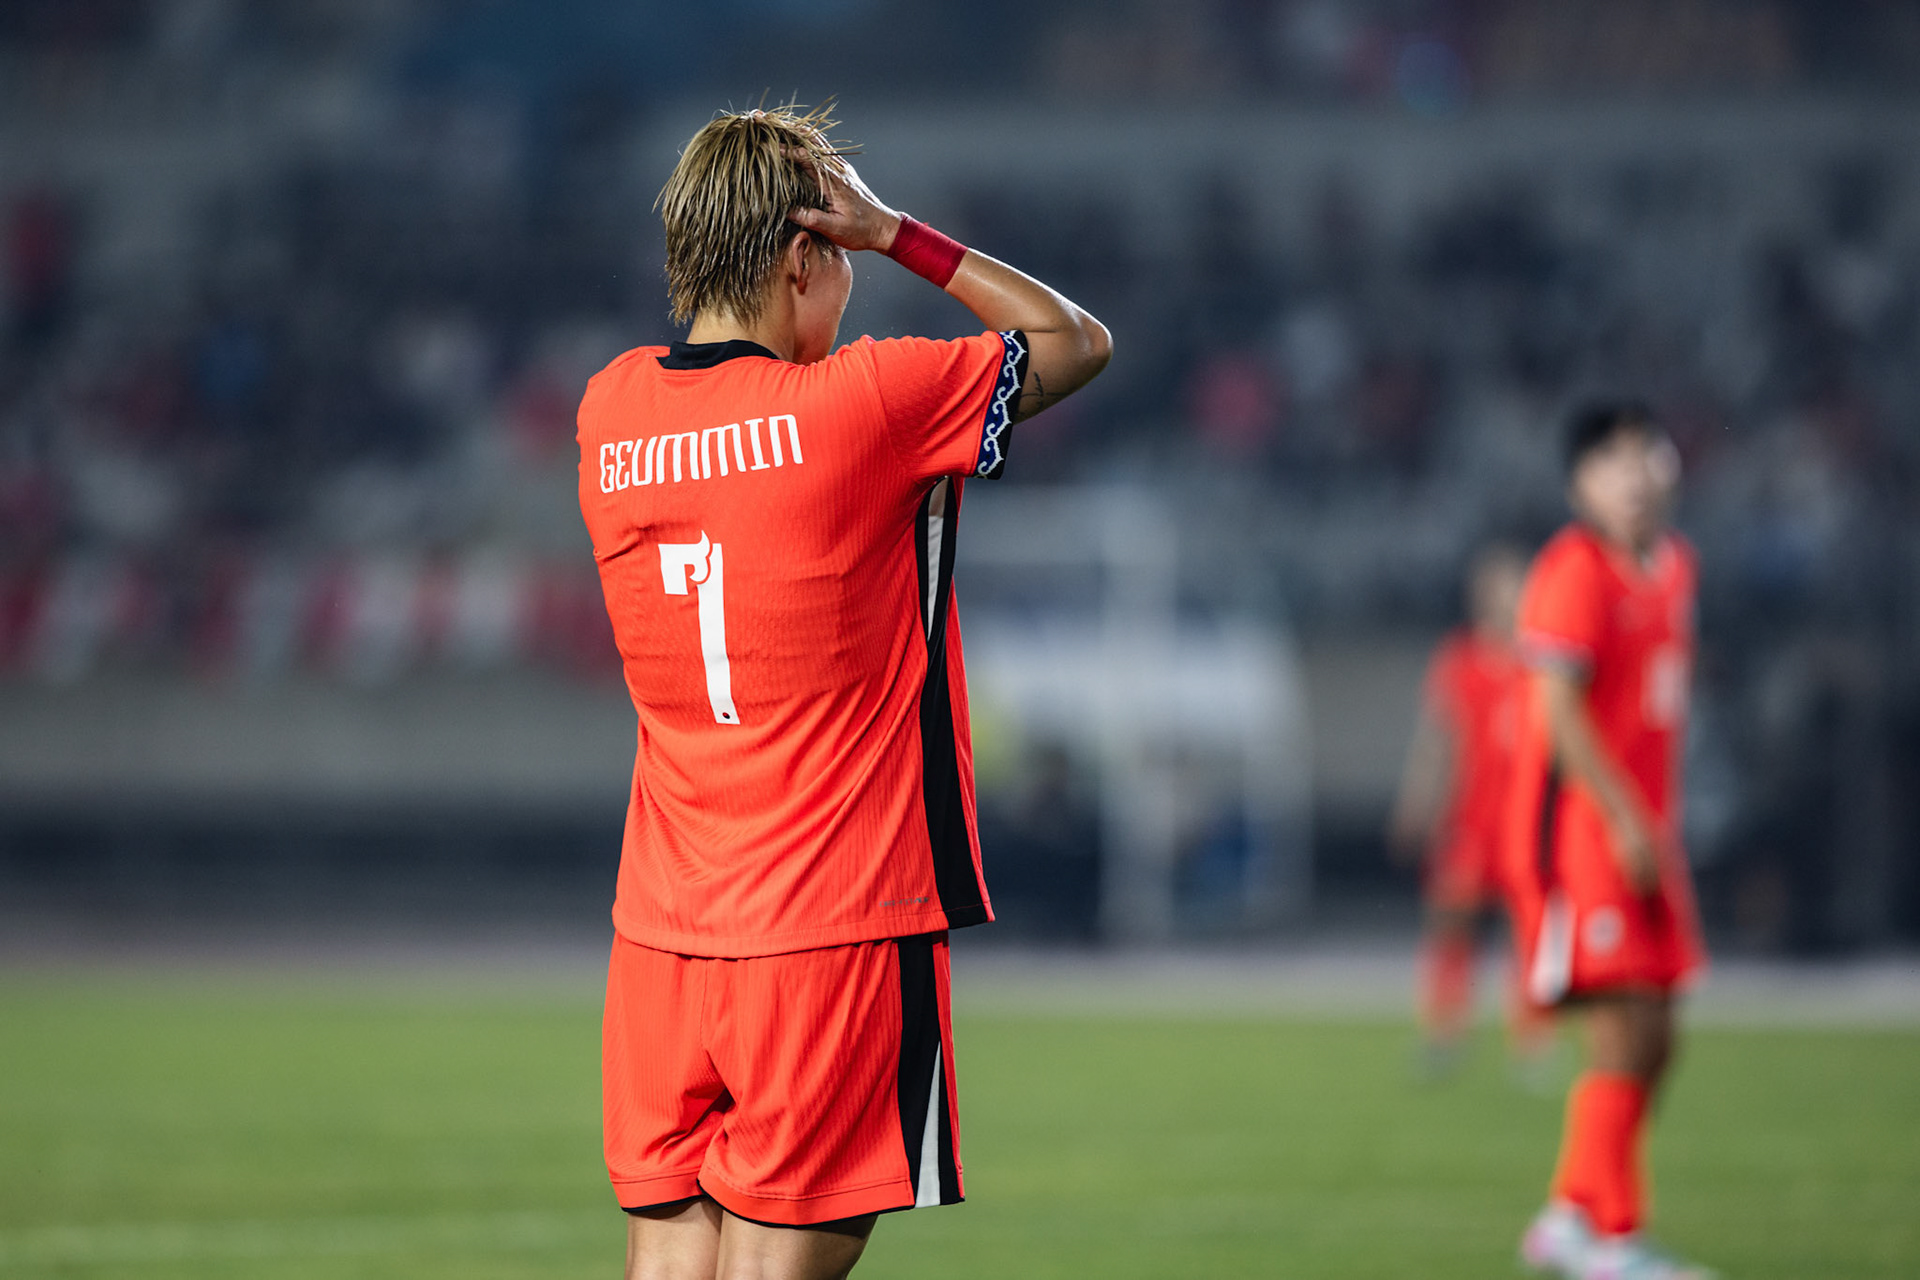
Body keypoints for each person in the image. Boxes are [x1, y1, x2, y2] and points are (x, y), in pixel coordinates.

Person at [575, 104, 1109, 1280]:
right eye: (840, 271)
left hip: (662, 925)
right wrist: (898, 233)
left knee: (668, 1261)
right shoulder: (862, 407)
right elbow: (1074, 340)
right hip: (831, 919)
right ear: (804, 256)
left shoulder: (608, 412)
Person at [1504, 402, 1714, 1280]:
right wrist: (1626, 821)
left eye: (1643, 456)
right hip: (1587, 831)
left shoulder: (1673, 569)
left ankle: (1568, 1213)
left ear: (1670, 465)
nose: (1631, 475)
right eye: (1610, 462)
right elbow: (1558, 716)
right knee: (1623, 1029)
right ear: (1579, 483)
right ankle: (1614, 1242)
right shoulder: (1572, 570)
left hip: (1645, 830)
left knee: (1662, 1035)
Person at [1387, 542, 1552, 1079]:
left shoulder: (1543, 661)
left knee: (1528, 928)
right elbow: (1437, 737)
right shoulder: (1460, 659)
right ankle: (1444, 1033)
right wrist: (1417, 802)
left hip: (1525, 817)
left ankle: (1532, 1040)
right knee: (1451, 924)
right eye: (1506, 588)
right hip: (1470, 818)